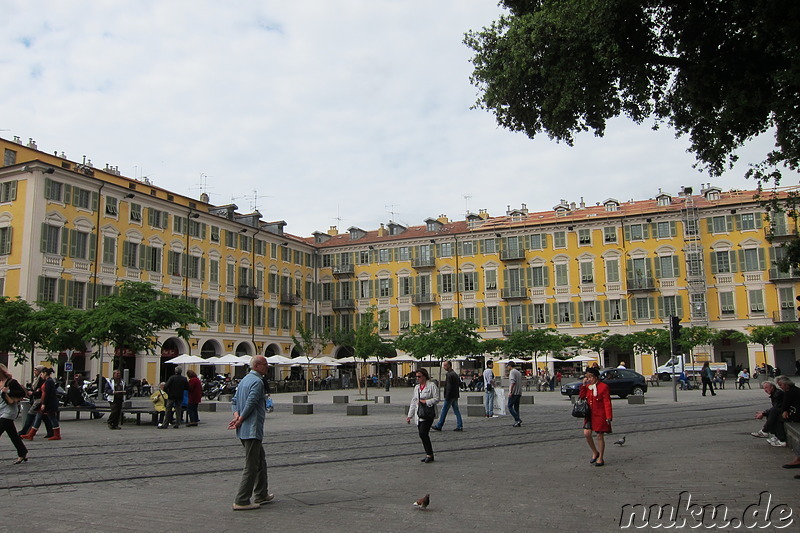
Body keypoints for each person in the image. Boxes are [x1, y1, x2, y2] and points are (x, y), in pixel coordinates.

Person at [229, 355, 273, 511]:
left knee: (260, 460)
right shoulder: (257, 382)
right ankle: (241, 499)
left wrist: (236, 417)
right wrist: (240, 419)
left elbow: (234, 401)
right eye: (265, 364)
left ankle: (261, 493)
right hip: (251, 428)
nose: (268, 366)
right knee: (252, 465)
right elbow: (251, 402)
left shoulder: (244, 380)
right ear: (257, 366)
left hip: (243, 428)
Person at [579, 367, 613, 467]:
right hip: (589, 414)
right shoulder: (588, 387)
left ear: (596, 377)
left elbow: (607, 402)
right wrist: (583, 385)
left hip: (600, 415)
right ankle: (595, 452)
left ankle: (600, 457)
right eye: (587, 377)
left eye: (590, 377)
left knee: (599, 436)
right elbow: (581, 397)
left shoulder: (603, 387)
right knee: (587, 433)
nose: (589, 379)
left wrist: (609, 416)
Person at [406, 368, 439, 463]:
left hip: (428, 413)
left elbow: (437, 398)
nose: (417, 378)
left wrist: (426, 401)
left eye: (419, 376)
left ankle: (429, 454)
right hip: (419, 414)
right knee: (423, 435)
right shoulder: (416, 387)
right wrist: (409, 415)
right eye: (416, 377)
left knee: (423, 433)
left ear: (424, 376)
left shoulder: (431, 386)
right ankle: (429, 454)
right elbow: (413, 401)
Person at [0, 364, 28, 464]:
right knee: (12, 434)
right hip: (1, 411)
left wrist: (9, 390)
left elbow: (22, 393)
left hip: (9, 412)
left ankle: (22, 452)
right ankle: (22, 452)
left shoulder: (11, 382)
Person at [432, 361, 462, 432]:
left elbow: (449, 386)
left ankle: (439, 425)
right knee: (456, 411)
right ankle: (459, 425)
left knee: (444, 410)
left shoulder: (449, 375)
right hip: (455, 395)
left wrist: (447, 396)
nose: (444, 367)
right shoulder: (454, 373)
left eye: (445, 365)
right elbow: (459, 383)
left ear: (449, 365)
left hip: (450, 396)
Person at [18, 365, 45, 439]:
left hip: (39, 400)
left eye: (36, 370)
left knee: (31, 414)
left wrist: (33, 393)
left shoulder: (42, 379)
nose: (34, 372)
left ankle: (25, 432)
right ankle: (51, 432)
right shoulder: (36, 379)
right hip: (37, 399)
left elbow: (41, 391)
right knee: (46, 417)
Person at [507, 361, 523, 427]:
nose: (507, 367)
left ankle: (517, 419)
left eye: (508, 366)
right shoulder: (518, 372)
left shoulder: (512, 372)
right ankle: (517, 422)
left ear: (510, 366)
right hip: (519, 392)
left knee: (510, 406)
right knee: (516, 407)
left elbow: (512, 382)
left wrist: (510, 391)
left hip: (514, 392)